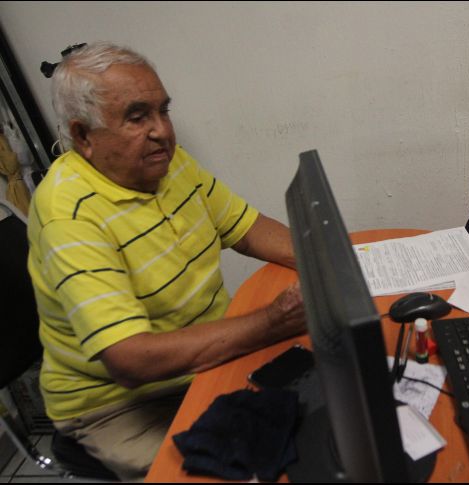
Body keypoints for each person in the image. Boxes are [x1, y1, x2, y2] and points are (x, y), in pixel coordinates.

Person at [27, 42, 306, 481]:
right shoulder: (70, 213)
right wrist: (272, 321)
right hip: (117, 405)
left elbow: (249, 229)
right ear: (83, 136)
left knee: (316, 416)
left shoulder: (168, 165)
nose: (162, 132)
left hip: (200, 361)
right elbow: (131, 360)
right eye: (138, 117)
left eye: (164, 111)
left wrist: (335, 264)